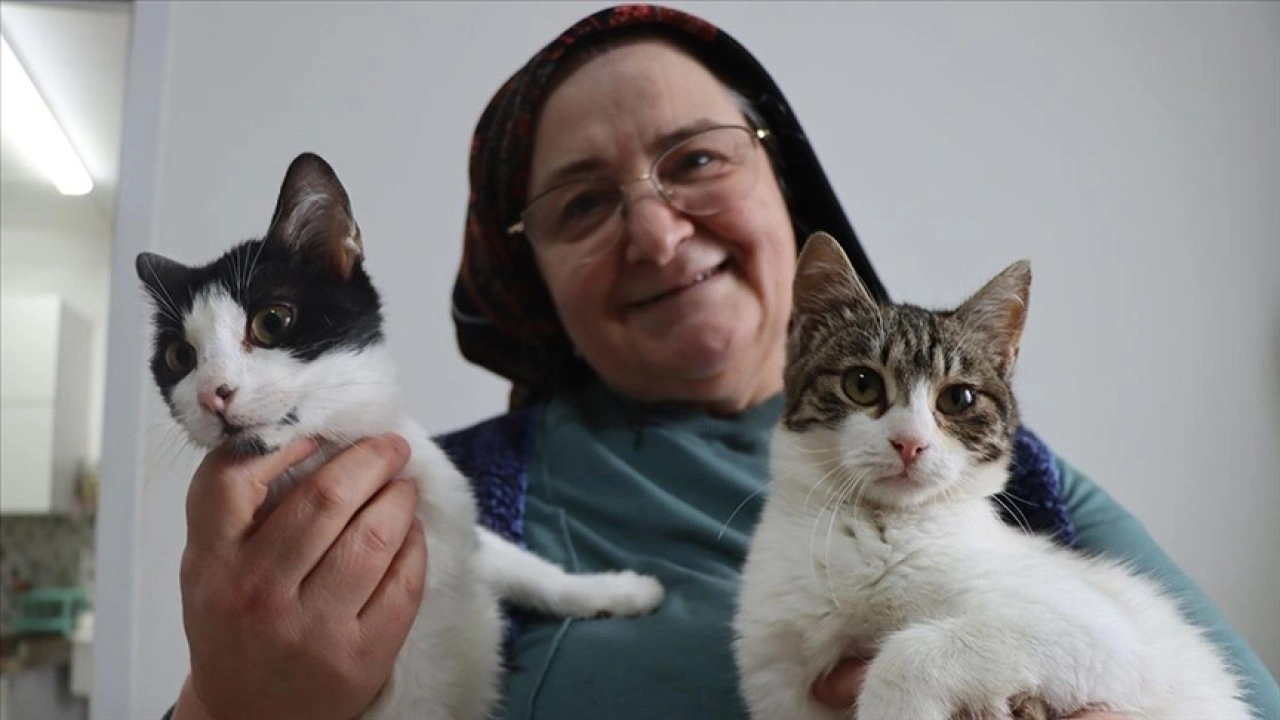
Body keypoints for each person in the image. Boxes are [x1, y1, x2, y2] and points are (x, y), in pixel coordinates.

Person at [167, 5, 1279, 720]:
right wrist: (223, 705)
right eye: (583, 204)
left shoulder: (1022, 479)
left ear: (781, 186)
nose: (656, 235)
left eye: (694, 160)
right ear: (527, 276)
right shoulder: (408, 498)